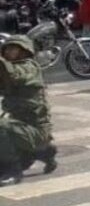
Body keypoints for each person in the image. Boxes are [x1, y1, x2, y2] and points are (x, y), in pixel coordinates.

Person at [0, 36, 56, 186]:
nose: (8, 51)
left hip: (35, 129)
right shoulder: (8, 70)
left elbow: (15, 74)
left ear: (24, 51)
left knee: (1, 127)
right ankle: (43, 152)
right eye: (6, 49)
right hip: (21, 127)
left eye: (13, 48)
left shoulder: (29, 67)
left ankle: (13, 171)